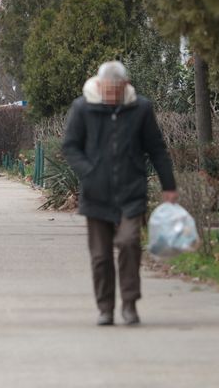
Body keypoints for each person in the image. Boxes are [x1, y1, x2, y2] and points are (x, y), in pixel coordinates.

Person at [62, 61, 177, 326]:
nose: (111, 96)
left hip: (131, 190)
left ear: (125, 86)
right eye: (107, 90)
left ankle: (129, 303)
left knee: (128, 243)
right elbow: (70, 146)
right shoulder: (83, 107)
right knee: (100, 256)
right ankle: (105, 308)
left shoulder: (140, 108)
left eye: (116, 90)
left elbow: (157, 148)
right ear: (99, 85)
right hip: (96, 192)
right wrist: (89, 172)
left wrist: (169, 186)